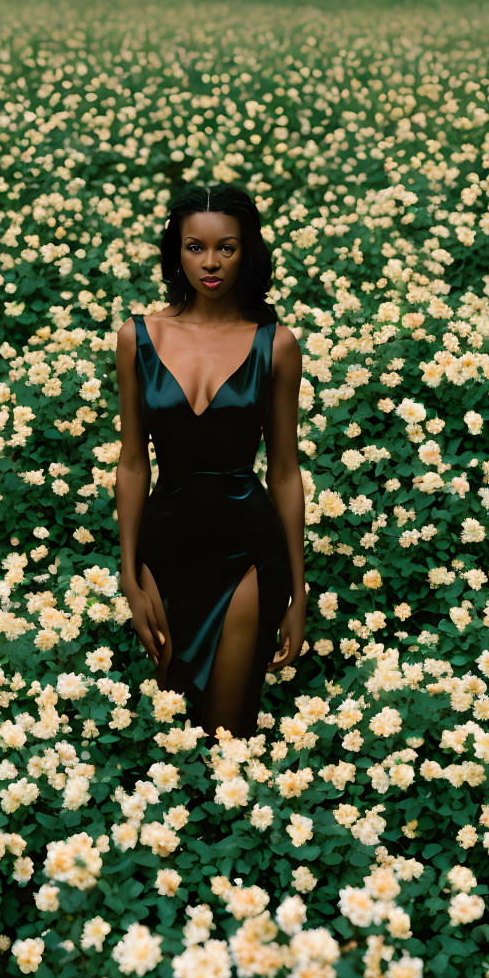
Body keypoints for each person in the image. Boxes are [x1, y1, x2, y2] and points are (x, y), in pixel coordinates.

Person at [115, 183, 307, 739]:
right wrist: (129, 577)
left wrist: (298, 591)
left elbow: (285, 472)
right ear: (175, 252)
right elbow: (132, 464)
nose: (211, 262)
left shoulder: (278, 343)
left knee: (228, 733)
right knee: (174, 731)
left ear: (248, 251)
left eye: (227, 247)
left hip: (248, 548)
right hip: (164, 548)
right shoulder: (137, 337)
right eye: (194, 247)